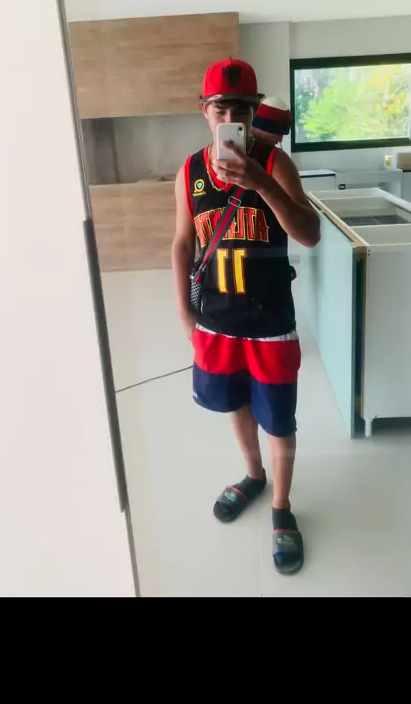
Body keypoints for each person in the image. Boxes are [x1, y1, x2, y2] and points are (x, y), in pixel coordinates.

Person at [171, 57, 320, 575]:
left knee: (278, 419)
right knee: (234, 403)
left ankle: (281, 507)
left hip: (270, 323)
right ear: (204, 110)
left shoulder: (275, 163)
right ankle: (254, 477)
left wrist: (261, 183)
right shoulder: (190, 171)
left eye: (242, 109)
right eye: (221, 109)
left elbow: (309, 233)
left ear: (255, 111)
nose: (231, 118)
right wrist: (185, 315)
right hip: (216, 320)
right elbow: (182, 243)